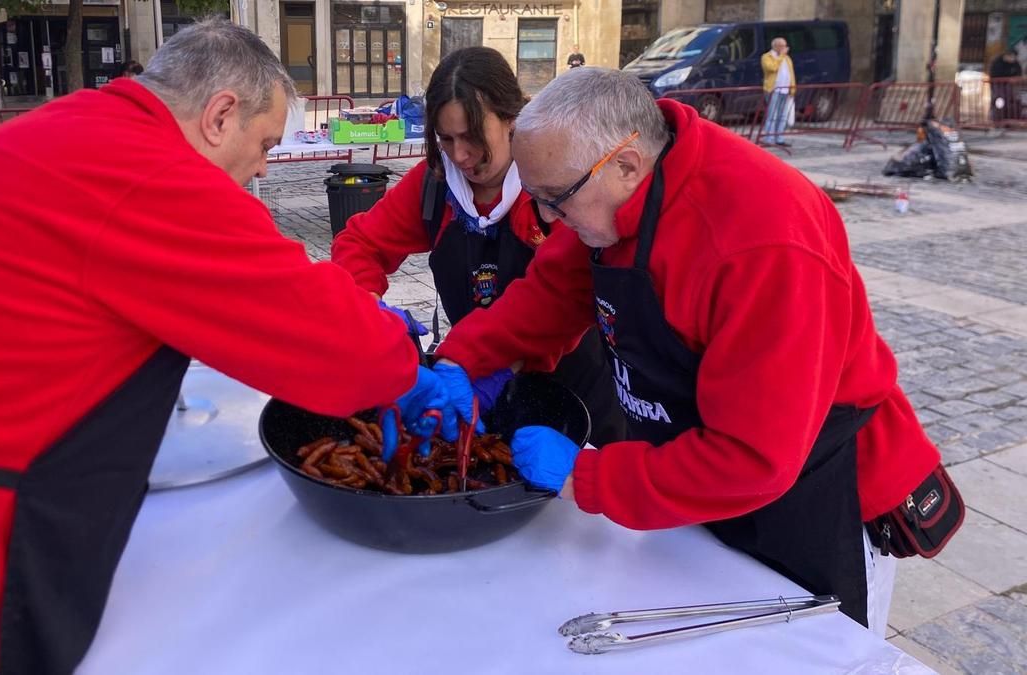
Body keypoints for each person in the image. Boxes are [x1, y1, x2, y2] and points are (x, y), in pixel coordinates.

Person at [0, 19, 447, 675]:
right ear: (220, 115)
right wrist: (401, 352)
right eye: (265, 143)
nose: (265, 164)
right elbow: (346, 353)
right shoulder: (150, 173)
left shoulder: (71, 127)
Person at [429, 67, 949, 638]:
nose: (548, 218)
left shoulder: (762, 240)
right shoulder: (609, 194)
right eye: (537, 198)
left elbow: (754, 457)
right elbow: (552, 292)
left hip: (812, 491)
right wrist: (463, 360)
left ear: (625, 165)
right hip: (689, 478)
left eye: (556, 199)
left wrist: (591, 479)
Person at [331, 46, 625, 446]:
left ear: (511, 118)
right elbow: (360, 242)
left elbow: (567, 299)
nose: (460, 155)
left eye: (471, 136)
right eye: (446, 138)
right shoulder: (434, 186)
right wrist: (370, 308)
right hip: (477, 377)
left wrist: (502, 363)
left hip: (573, 386)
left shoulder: (555, 186)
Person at [761, 37, 795, 146]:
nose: (785, 48)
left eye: (785, 46)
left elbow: (791, 74)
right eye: (783, 46)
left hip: (785, 90)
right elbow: (772, 68)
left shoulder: (787, 58)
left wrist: (793, 88)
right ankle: (768, 138)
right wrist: (780, 56)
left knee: (783, 115)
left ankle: (779, 138)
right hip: (773, 89)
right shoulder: (767, 57)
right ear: (776, 46)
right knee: (772, 115)